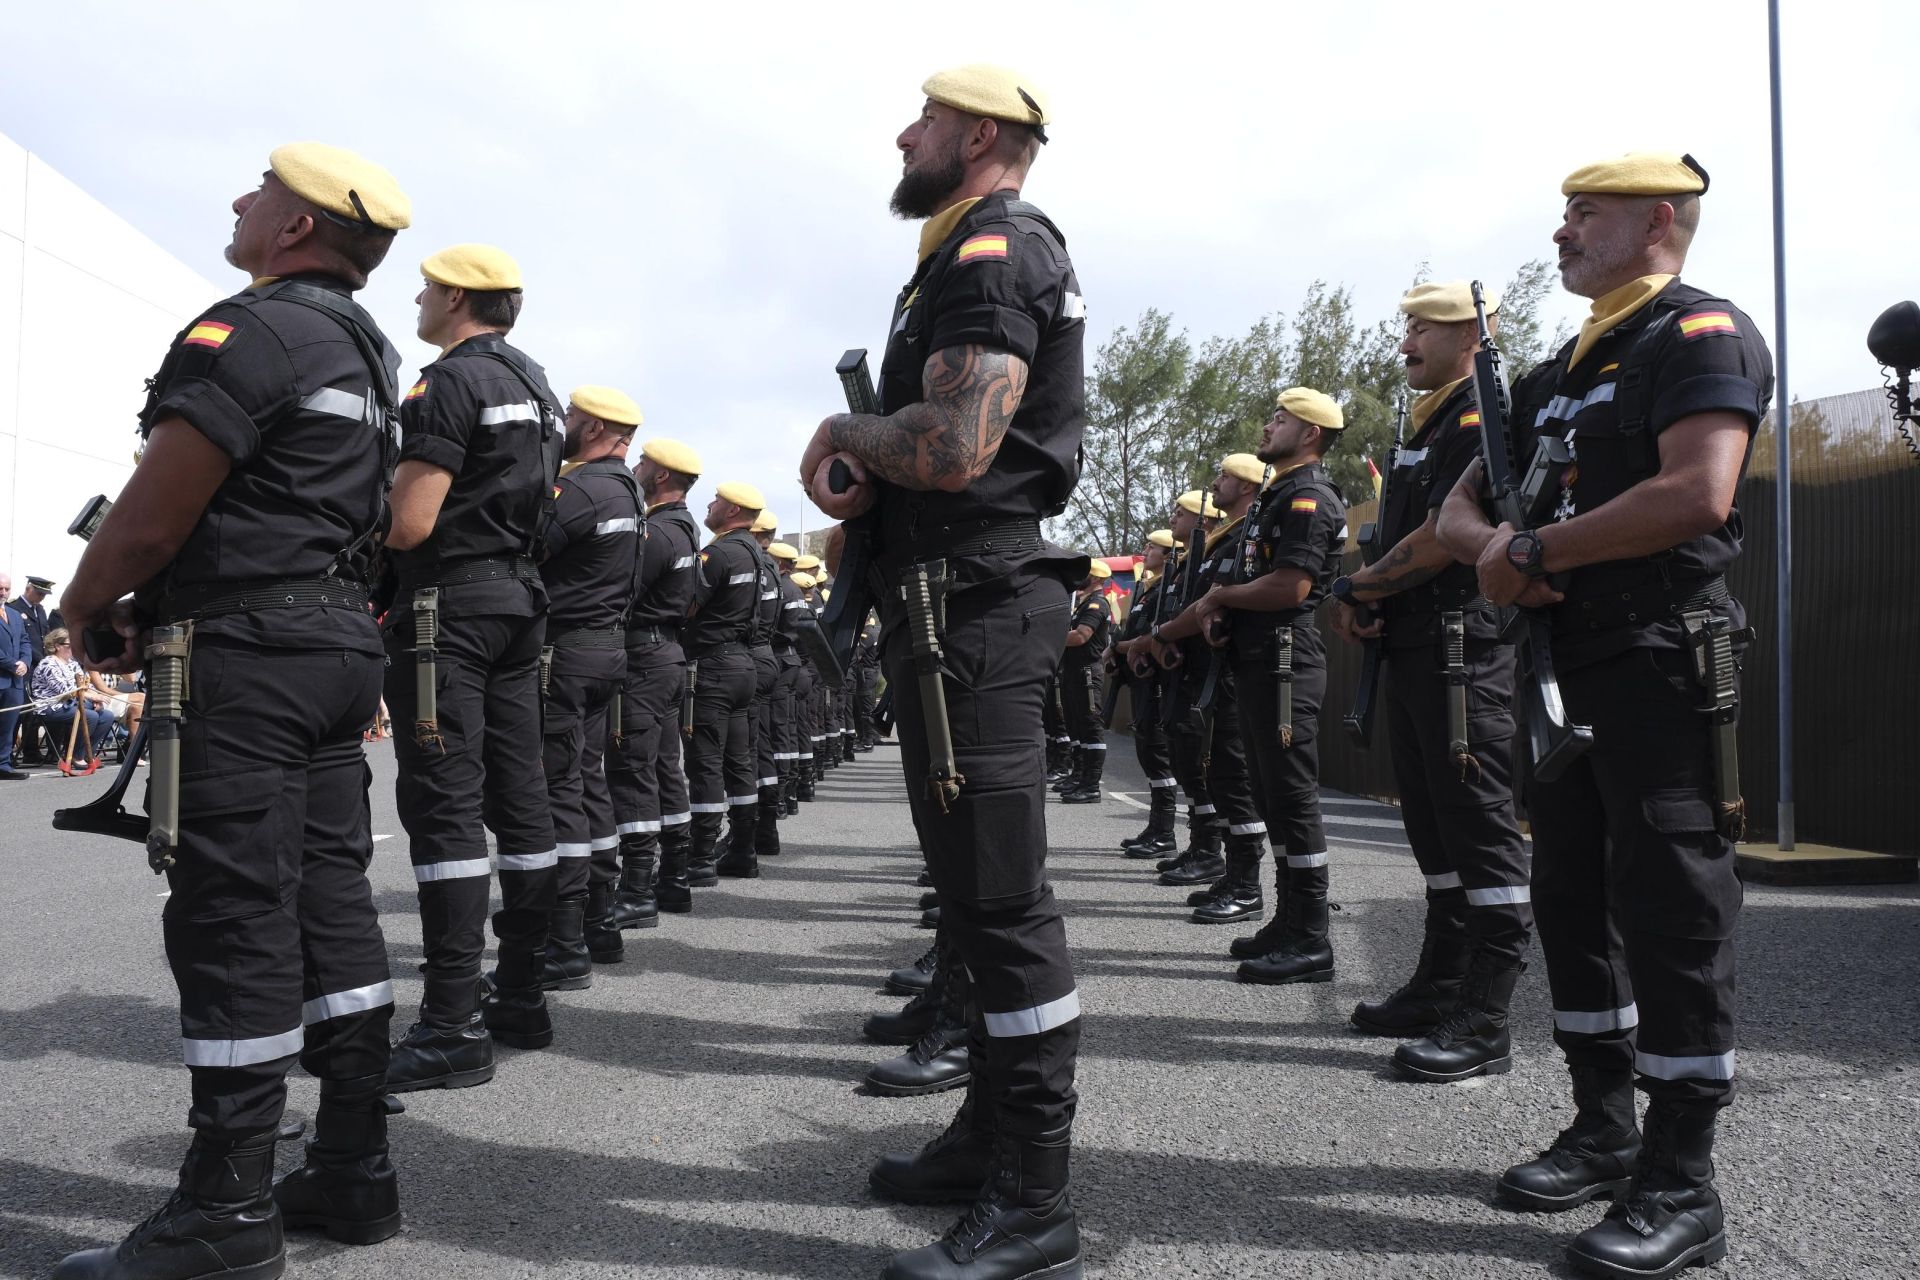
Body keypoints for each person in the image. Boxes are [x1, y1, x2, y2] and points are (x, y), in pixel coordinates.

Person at [54, 141, 410, 1277]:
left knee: (236, 912)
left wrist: (85, 603)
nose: (239, 200)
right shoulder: (367, 346)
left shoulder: (247, 330)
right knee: (327, 900)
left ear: (297, 226)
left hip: (249, 650)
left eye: (259, 189)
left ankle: (227, 1208)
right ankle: (353, 1163)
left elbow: (158, 511)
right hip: (332, 644)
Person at [1437, 151, 1768, 1280]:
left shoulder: (1699, 335)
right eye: (1564, 212)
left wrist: (1534, 550)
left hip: (1659, 651)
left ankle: (1683, 1179)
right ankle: (1604, 1125)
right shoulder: (1551, 370)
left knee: (1672, 900)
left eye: (1586, 211)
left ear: (1658, 221)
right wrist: (1498, 551)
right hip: (1560, 663)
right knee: (1571, 893)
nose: (1562, 231)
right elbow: (1456, 507)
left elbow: (1697, 491)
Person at [799, 62, 1087, 1280]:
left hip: (979, 601)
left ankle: (1034, 1198)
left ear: (976, 134)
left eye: (922, 117)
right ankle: (986, 1139)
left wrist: (842, 435)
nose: (903, 133)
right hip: (944, 603)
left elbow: (958, 445)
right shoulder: (954, 252)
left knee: (1006, 906)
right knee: (972, 897)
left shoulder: (994, 252)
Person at [1327, 281, 1533, 1079]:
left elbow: (1445, 537)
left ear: (1469, 340)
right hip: (1415, 648)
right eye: (1405, 322)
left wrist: (1364, 584)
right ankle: (1441, 982)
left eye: (1425, 325)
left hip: (1460, 651)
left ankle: (1485, 1018)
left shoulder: (1481, 420)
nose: (1407, 337)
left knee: (1479, 831)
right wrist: (1374, 599)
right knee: (1433, 829)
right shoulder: (1426, 423)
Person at [382, 242, 564, 1091]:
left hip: (446, 606)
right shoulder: (538, 386)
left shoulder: (447, 381)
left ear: (456, 297)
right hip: (518, 607)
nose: (417, 302)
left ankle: (452, 1019)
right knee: (521, 798)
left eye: (425, 291)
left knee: (445, 804)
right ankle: (522, 992)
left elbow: (411, 522)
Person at [1192, 391, 1349, 984]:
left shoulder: (1309, 496)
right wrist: (1220, 612)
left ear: (1310, 433)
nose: (1268, 424)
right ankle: (1288, 920)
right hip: (1257, 659)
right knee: (1269, 793)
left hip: (1286, 660)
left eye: (1281, 419)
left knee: (1291, 796)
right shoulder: (1276, 495)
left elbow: (1290, 588)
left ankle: (1311, 936)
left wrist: (1219, 598)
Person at [534, 385, 644, 983]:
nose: (566, 423)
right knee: (591, 781)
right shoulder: (628, 491)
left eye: (574, 417)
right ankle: (600, 919)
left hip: (566, 651)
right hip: (606, 650)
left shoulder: (581, 489)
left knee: (558, 788)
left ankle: (564, 936)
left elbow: (529, 544)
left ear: (598, 426)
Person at [1146, 457, 1272, 927]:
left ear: (1243, 486)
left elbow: (1207, 606)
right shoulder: (1216, 545)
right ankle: (1224, 867)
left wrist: (1159, 636)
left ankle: (1245, 883)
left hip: (1226, 673)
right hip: (1199, 671)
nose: (1215, 483)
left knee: (1234, 779)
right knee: (1215, 773)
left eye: (1223, 477)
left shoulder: (1243, 539)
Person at [606, 438, 704, 924]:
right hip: (666, 653)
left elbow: (618, 585)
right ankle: (674, 878)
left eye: (644, 463)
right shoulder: (687, 532)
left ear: (661, 476)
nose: (638, 466)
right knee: (666, 768)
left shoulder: (658, 534)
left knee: (632, 769)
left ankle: (638, 887)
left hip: (642, 657)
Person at [682, 481, 770, 883]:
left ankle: (699, 858)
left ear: (733, 510)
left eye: (717, 500)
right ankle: (743, 849)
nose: (711, 504)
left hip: (714, 665)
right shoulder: (757, 555)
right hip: (742, 664)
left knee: (705, 763)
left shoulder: (718, 553)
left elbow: (689, 605)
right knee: (739, 762)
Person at [1110, 531, 1178, 856]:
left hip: (1156, 683)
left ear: (1167, 554)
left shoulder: (1165, 590)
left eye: (1152, 546)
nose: (1145, 550)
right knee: (1148, 756)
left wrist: (1118, 647)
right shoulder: (1147, 590)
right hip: (1141, 682)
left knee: (1157, 756)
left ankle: (1165, 832)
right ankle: (1156, 827)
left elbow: (1146, 638)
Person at [1053, 558, 1112, 803]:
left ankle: (1091, 785)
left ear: (1096, 578)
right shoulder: (1083, 604)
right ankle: (1079, 777)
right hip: (1074, 672)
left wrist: (1048, 637)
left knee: (1090, 727)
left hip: (1088, 673)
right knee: (1077, 725)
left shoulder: (1097, 604)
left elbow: (1080, 636)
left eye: (1085, 574)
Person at [31, 629, 116, 763]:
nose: (73, 649)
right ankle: (77, 756)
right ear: (57, 646)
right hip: (52, 707)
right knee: (90, 716)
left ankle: (89, 754)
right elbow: (64, 691)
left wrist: (95, 698)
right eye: (69, 645)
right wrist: (92, 697)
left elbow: (86, 685)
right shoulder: (48, 664)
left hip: (74, 703)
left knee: (107, 716)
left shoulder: (72, 663)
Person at [0, 575, 32, 778]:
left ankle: (3, 764)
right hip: (5, 673)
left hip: (15, 682)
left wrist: (25, 662)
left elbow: (25, 641)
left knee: (8, 725)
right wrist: (12, 664)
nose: (2, 592)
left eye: (6, 589)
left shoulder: (13, 613)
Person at [10, 574, 59, 665]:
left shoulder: (40, 610)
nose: (42, 597)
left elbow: (47, 635)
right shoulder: (14, 609)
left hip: (43, 663)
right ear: (28, 589)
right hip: (26, 663)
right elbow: (19, 639)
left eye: (44, 594)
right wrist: (41, 659)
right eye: (39, 593)